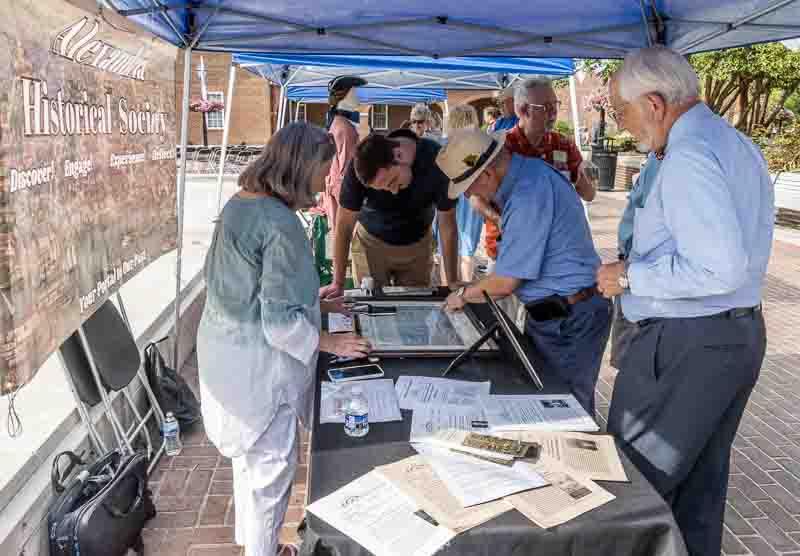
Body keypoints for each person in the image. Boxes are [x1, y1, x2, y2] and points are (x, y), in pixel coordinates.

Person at [596, 47, 773, 556]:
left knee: (632, 490)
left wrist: (630, 276)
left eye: (620, 110)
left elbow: (718, 267)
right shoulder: (734, 143)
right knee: (698, 492)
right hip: (728, 337)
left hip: (685, 344)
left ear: (654, 103)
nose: (622, 125)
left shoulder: (689, 155)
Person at [197, 123, 372, 556]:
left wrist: (315, 305)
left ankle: (258, 544)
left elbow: (250, 288)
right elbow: (278, 324)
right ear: (301, 167)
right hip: (257, 369)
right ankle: (263, 549)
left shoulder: (241, 203)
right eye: (324, 170)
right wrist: (331, 344)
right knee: (272, 474)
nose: (327, 181)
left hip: (224, 355)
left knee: (249, 467)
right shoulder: (280, 224)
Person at [439, 129, 612, 416]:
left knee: (567, 411)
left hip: (571, 318)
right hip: (559, 312)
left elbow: (506, 281)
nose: (469, 194)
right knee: (550, 400)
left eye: (469, 186)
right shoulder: (526, 178)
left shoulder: (528, 191)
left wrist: (463, 294)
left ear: (486, 175)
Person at [319, 129, 459, 298]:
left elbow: (447, 225)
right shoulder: (359, 166)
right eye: (384, 188)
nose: (393, 191)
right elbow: (344, 226)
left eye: (392, 181)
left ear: (399, 155)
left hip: (418, 246)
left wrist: (452, 283)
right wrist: (338, 283)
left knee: (415, 309)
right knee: (370, 304)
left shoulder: (437, 159)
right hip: (370, 244)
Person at [483, 77, 597, 265]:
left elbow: (589, 195)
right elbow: (475, 200)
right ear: (522, 110)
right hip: (509, 248)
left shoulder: (564, 144)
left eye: (555, 104)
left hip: (554, 252)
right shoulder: (499, 147)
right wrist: (502, 221)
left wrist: (585, 175)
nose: (553, 112)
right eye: (545, 106)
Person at [609, 145, 661, 369]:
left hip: (640, 268)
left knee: (631, 359)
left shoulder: (672, 160)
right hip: (632, 261)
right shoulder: (655, 157)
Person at [441, 104, 485, 282]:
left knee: (447, 250)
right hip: (472, 198)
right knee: (467, 252)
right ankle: (465, 298)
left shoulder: (444, 145)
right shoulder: (480, 143)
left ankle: (446, 293)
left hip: (448, 197)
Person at [323, 75, 367, 232]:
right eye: (354, 93)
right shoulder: (345, 128)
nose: (358, 97)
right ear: (344, 96)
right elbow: (347, 169)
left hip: (336, 188)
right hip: (343, 191)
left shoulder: (337, 122)